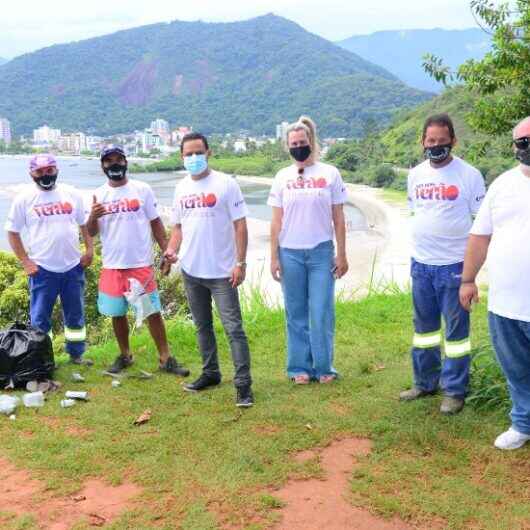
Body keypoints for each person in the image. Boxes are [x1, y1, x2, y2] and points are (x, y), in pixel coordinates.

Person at [400, 113, 486, 414]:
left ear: (453, 141)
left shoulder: (470, 175)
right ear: (423, 142)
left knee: (456, 335)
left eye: (442, 141)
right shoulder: (415, 175)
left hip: (454, 267)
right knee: (423, 330)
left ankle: (454, 390)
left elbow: (481, 226)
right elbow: (417, 211)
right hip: (421, 264)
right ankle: (424, 383)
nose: (436, 146)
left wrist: (470, 275)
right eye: (430, 141)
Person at [164, 132, 254, 407]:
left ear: (208, 152)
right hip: (192, 271)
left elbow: (240, 225)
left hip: (222, 273)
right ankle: (211, 373)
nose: (193, 158)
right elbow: (179, 227)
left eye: (197, 153)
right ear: (181, 157)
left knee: (233, 329)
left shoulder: (226, 184)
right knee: (202, 327)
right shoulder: (181, 188)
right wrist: (170, 251)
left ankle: (243, 385)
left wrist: (240, 263)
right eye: (188, 154)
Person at [86, 145, 189, 377]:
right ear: (102, 166)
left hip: (140, 264)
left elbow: (156, 224)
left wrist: (166, 252)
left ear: (126, 162)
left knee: (152, 312)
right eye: (108, 161)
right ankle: (125, 355)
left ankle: (165, 357)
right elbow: (91, 232)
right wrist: (93, 215)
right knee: (117, 313)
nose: (114, 164)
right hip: (112, 265)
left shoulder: (142, 189)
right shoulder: (98, 195)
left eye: (118, 159)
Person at [460, 116, 530, 449]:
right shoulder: (502, 184)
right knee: (516, 369)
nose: (528, 147)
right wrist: (468, 280)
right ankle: (523, 423)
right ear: (515, 147)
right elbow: (479, 236)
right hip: (506, 303)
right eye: (523, 142)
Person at [267, 116, 348, 384]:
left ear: (311, 142)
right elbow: (276, 221)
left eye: (302, 142)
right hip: (289, 253)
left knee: (321, 310)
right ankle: (299, 368)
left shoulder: (330, 174)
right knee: (296, 312)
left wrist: (342, 254)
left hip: (321, 252)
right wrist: (274, 257)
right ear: (287, 147)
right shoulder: (282, 177)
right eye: (293, 144)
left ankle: (324, 368)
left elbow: (338, 217)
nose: (298, 147)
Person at [5, 154, 93, 364]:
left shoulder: (72, 194)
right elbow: (12, 232)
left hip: (73, 267)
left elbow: (84, 224)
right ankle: (42, 358)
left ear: (56, 170)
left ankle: (76, 354)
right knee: (40, 319)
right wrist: (26, 261)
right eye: (40, 171)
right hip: (42, 270)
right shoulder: (24, 199)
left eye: (49, 170)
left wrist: (90, 249)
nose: (45, 175)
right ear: (31, 174)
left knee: (75, 315)